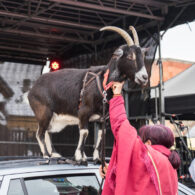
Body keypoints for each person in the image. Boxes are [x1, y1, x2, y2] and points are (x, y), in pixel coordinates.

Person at [99, 82, 180, 195]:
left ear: (148, 142)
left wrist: (117, 96)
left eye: (142, 141)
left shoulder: (152, 156)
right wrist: (112, 172)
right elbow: (142, 184)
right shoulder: (170, 164)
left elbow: (123, 129)